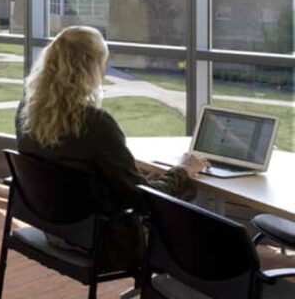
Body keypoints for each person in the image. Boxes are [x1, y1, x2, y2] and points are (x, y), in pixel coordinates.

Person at [15, 25, 206, 269]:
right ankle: (183, 278)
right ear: (89, 68)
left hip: (55, 228)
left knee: (169, 185)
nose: (105, 71)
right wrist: (182, 170)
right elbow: (142, 201)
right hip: (103, 241)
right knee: (185, 189)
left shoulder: (27, 111)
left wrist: (140, 180)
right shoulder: (95, 124)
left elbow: (78, 171)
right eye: (103, 63)